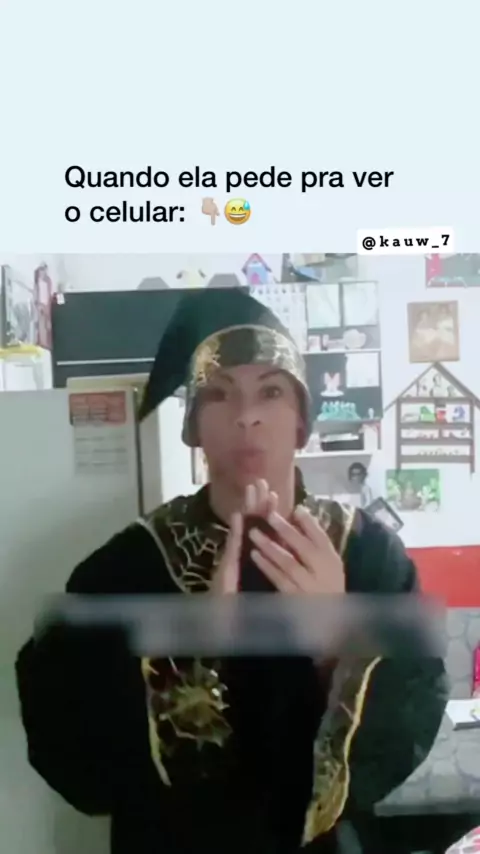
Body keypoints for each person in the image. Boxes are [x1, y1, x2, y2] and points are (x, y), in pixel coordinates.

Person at [15, 288, 448, 854]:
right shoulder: (129, 565)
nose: (247, 417)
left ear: (302, 421)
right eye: (219, 394)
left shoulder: (368, 555)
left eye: (271, 391)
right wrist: (191, 657)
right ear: (192, 427)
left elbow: (412, 720)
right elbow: (65, 741)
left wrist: (336, 645)